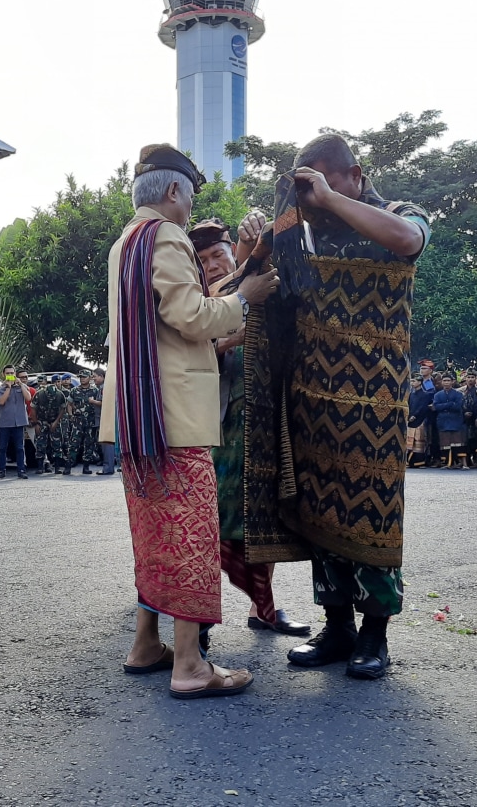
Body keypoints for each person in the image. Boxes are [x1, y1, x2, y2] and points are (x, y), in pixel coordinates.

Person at [242, 133, 430, 680]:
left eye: (322, 178)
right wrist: (255, 245)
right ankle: (337, 625)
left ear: (355, 174)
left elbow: (408, 242)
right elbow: (258, 291)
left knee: (372, 512)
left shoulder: (398, 212)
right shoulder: (301, 235)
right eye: (305, 184)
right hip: (309, 396)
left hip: (375, 400)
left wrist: (326, 198)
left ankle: (375, 634)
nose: (312, 196)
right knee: (319, 509)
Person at [99, 143, 279, 699]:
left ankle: (145, 644)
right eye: (191, 192)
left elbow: (159, 327)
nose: (190, 203)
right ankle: (190, 667)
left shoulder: (124, 243)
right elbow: (190, 316)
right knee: (193, 539)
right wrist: (244, 297)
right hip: (175, 417)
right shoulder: (168, 236)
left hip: (138, 417)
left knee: (154, 538)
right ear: (174, 191)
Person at [190, 216, 310, 637]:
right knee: (212, 519)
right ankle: (198, 621)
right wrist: (228, 340)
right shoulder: (198, 303)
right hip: (216, 427)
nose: (212, 265)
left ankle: (264, 609)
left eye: (217, 254)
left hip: (264, 417)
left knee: (263, 513)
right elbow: (187, 357)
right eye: (202, 260)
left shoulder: (256, 285)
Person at [0, 365, 31, 480]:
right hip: (5, 422)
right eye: (8, 373)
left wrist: (20, 384)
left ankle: (21, 470)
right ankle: (2, 470)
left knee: (20, 448)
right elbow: (1, 401)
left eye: (12, 373)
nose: (10, 375)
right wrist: (8, 387)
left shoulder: (22, 386)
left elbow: (28, 398)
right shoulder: (0, 388)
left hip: (19, 422)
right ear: (3, 374)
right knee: (2, 448)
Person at [33, 376, 68, 474]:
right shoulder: (39, 395)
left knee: (57, 444)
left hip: (54, 420)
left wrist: (56, 421)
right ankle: (40, 467)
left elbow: (63, 409)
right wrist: (36, 423)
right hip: (42, 421)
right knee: (40, 444)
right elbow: (33, 409)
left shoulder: (60, 395)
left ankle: (57, 467)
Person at [433, 373, 468, 469]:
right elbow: (436, 407)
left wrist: (444, 405)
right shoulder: (437, 395)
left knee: (458, 443)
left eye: (448, 380)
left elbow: (457, 406)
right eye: (444, 380)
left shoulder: (458, 394)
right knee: (445, 443)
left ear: (453, 382)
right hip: (443, 422)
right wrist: (450, 404)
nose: (446, 382)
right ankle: (448, 463)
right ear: (441, 382)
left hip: (456, 421)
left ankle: (463, 463)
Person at [67, 369, 97, 474]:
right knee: (73, 443)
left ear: (89, 378)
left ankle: (86, 466)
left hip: (90, 421)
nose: (82, 379)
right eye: (81, 377)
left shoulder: (95, 390)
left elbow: (98, 404)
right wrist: (71, 415)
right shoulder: (74, 390)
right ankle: (68, 466)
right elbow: (69, 404)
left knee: (89, 444)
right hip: (77, 421)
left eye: (84, 377)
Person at [89, 368, 115, 476]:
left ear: (101, 376)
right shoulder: (101, 387)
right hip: (102, 419)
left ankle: (108, 468)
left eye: (94, 376)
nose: (93, 378)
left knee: (107, 443)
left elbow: (105, 402)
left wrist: (92, 401)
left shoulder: (105, 388)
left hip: (105, 419)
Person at [406, 374, 431, 468]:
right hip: (410, 419)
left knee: (419, 441)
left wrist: (415, 415)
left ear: (420, 382)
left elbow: (423, 407)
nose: (412, 383)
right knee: (409, 442)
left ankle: (419, 462)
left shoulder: (425, 394)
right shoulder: (411, 394)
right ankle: (409, 462)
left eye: (414, 381)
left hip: (420, 420)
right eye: (411, 381)